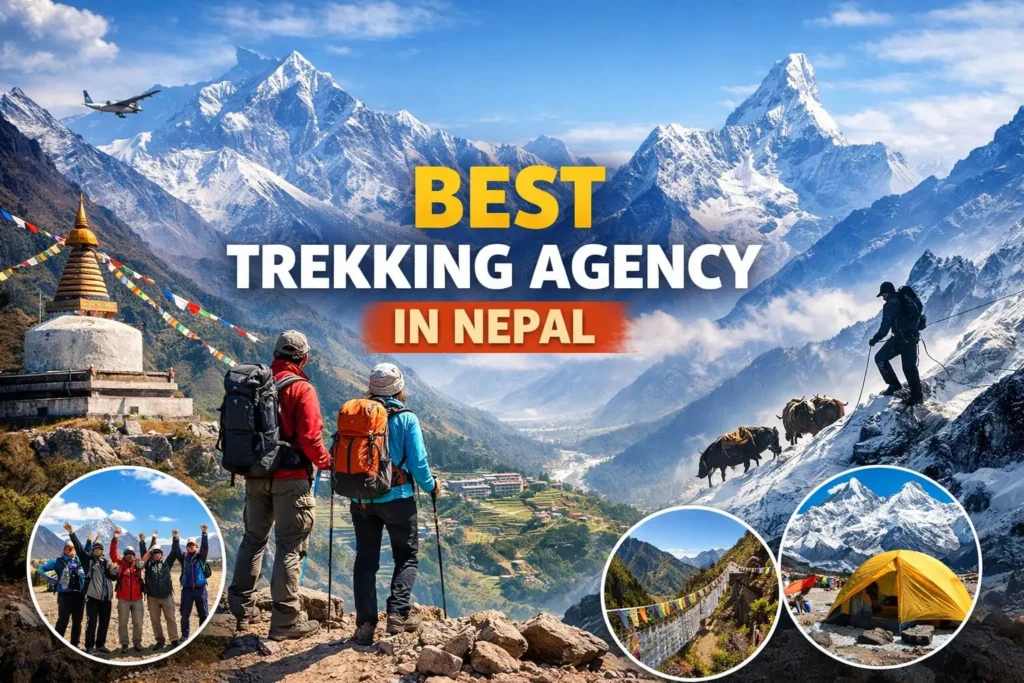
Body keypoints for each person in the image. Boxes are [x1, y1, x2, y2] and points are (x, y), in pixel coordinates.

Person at [228, 330, 330, 641]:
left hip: (255, 476)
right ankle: (285, 620)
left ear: (275, 354)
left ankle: (240, 614)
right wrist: (327, 462)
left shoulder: (254, 385)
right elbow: (311, 439)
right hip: (292, 480)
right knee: (289, 547)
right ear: (305, 358)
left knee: (253, 541)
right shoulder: (302, 389)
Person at [350, 363, 439, 646]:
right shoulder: (406, 418)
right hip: (397, 499)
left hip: (361, 499)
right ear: (399, 388)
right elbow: (418, 462)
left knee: (365, 561)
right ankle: (397, 617)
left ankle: (365, 626)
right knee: (406, 556)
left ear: (371, 388)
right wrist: (432, 486)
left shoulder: (356, 415)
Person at [870, 281, 924, 405]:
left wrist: (874, 339)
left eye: (883, 295)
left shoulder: (890, 304)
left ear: (886, 293)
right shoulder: (905, 298)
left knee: (880, 358)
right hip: (911, 337)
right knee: (910, 368)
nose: (883, 298)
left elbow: (885, 327)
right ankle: (917, 397)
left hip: (900, 339)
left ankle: (894, 385)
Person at [66, 523, 117, 654]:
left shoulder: (106, 562)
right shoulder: (87, 560)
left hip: (106, 598)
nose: (98, 550)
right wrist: (72, 533)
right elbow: (79, 548)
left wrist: (114, 570)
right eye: (96, 548)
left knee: (104, 622)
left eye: (100, 548)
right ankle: (89, 646)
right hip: (93, 597)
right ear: (93, 549)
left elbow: (112, 578)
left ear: (102, 550)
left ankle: (100, 644)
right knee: (92, 622)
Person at [39, 527, 86, 648]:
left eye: (73, 548)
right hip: (64, 595)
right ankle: (56, 642)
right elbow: (41, 568)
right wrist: (50, 577)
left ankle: (75, 644)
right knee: (63, 619)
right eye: (68, 548)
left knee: (77, 621)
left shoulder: (81, 561)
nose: (71, 550)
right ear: (64, 549)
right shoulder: (57, 561)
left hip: (79, 595)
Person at [169, 526, 210, 641]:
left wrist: (204, 533)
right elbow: (175, 550)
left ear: (196, 547)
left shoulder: (201, 557)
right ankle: (185, 635)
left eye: (193, 545)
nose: (190, 546)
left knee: (203, 614)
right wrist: (176, 538)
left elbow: (205, 547)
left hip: (200, 590)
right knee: (185, 614)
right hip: (187, 590)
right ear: (186, 547)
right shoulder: (184, 558)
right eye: (188, 545)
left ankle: (203, 634)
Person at [141, 531, 180, 649]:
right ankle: (160, 640)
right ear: (152, 554)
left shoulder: (167, 563)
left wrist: (175, 538)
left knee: (171, 619)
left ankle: (174, 639)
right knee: (155, 621)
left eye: (159, 553)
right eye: (155, 553)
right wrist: (143, 542)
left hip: (167, 596)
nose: (157, 554)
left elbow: (174, 552)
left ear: (162, 554)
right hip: (152, 597)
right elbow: (144, 554)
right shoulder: (148, 565)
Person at [110, 528, 146, 652]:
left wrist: (145, 541)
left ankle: (137, 643)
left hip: (137, 599)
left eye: (131, 553)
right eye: (127, 553)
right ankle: (124, 644)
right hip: (123, 599)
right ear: (124, 555)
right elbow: (113, 555)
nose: (129, 555)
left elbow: (147, 554)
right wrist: (115, 539)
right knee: (122, 623)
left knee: (138, 623)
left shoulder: (139, 565)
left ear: (134, 555)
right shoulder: (121, 563)